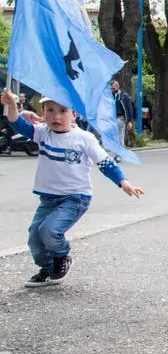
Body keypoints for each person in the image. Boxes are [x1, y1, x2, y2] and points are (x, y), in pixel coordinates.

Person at [1, 88, 144, 288]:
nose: (56, 116)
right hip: (49, 199)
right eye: (50, 110)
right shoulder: (42, 133)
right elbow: (17, 123)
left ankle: (62, 256)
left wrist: (123, 182)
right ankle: (48, 268)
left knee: (49, 230)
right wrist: (10, 104)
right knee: (34, 236)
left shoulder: (84, 138)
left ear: (74, 114)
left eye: (63, 110)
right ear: (43, 113)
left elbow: (105, 163)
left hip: (75, 198)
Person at [109, 80, 134, 158]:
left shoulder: (124, 96)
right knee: (115, 137)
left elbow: (130, 109)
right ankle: (118, 153)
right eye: (111, 88)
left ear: (117, 86)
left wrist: (130, 121)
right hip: (111, 119)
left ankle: (119, 154)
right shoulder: (109, 96)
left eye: (113, 88)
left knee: (120, 137)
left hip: (120, 118)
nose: (112, 90)